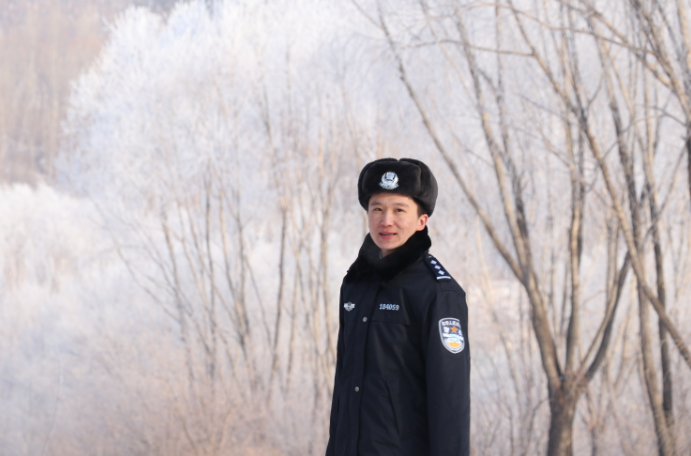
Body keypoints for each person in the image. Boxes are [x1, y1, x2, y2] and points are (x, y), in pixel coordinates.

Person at [325, 158, 470, 456]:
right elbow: (345, 387)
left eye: (399, 210)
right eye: (377, 209)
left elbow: (450, 399)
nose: (386, 220)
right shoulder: (355, 283)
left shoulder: (438, 292)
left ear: (421, 221)